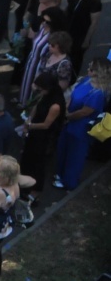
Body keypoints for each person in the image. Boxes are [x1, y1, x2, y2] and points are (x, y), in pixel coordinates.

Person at [55, 58, 111, 190]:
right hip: (70, 122)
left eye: (91, 69)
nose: (88, 70)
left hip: (81, 128)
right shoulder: (86, 80)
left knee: (75, 155)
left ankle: (69, 182)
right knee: (63, 149)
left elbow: (85, 112)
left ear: (99, 73)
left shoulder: (98, 93)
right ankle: (60, 174)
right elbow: (73, 95)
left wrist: (67, 116)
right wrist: (66, 110)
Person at [18, 72, 65, 212]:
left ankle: (35, 193)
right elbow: (36, 108)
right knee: (27, 160)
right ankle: (25, 186)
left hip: (44, 138)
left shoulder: (56, 105)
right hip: (34, 134)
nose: (38, 90)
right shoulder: (45, 96)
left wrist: (29, 126)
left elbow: (46, 125)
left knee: (38, 165)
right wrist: (28, 120)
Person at [20, 6, 67, 104]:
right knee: (26, 83)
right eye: (43, 20)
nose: (44, 23)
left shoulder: (56, 37)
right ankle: (23, 102)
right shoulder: (42, 28)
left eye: (47, 22)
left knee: (36, 91)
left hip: (40, 66)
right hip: (32, 61)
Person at [65, 0, 102, 70]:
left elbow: (94, 23)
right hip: (67, 29)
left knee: (74, 59)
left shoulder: (94, 2)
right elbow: (67, 9)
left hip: (79, 34)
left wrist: (86, 40)